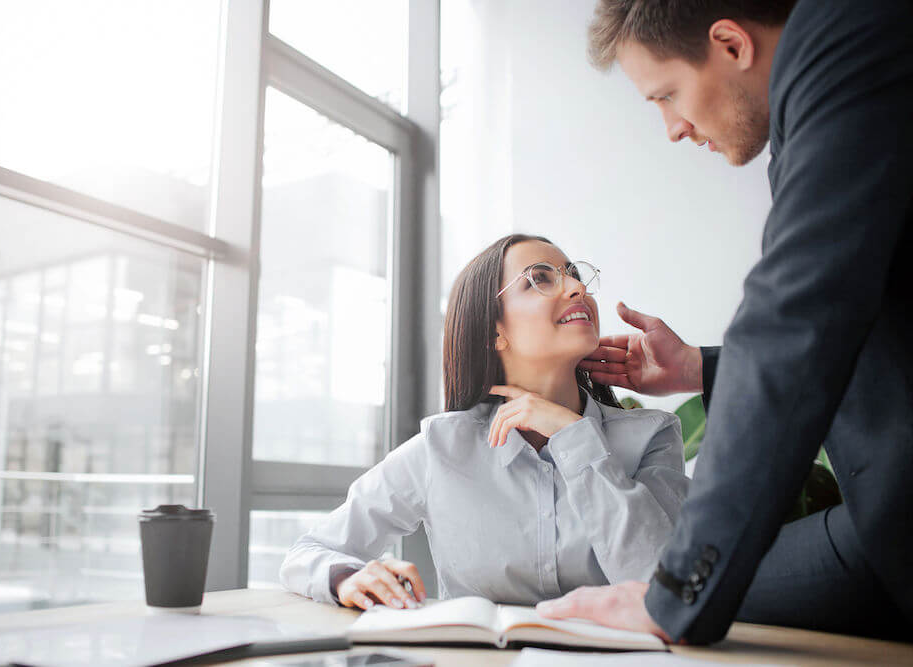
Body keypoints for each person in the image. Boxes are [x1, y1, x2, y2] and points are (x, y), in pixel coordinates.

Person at [536, 0, 913, 644]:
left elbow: (795, 320)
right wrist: (698, 367)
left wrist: (674, 600)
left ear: (731, 45)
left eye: (667, 95)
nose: (673, 128)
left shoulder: (851, 40)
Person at [279, 234, 690, 610]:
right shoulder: (442, 448)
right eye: (539, 279)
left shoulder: (651, 436)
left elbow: (664, 588)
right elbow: (308, 552)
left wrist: (574, 437)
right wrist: (349, 577)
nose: (577, 288)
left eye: (575, 276)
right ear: (495, 331)